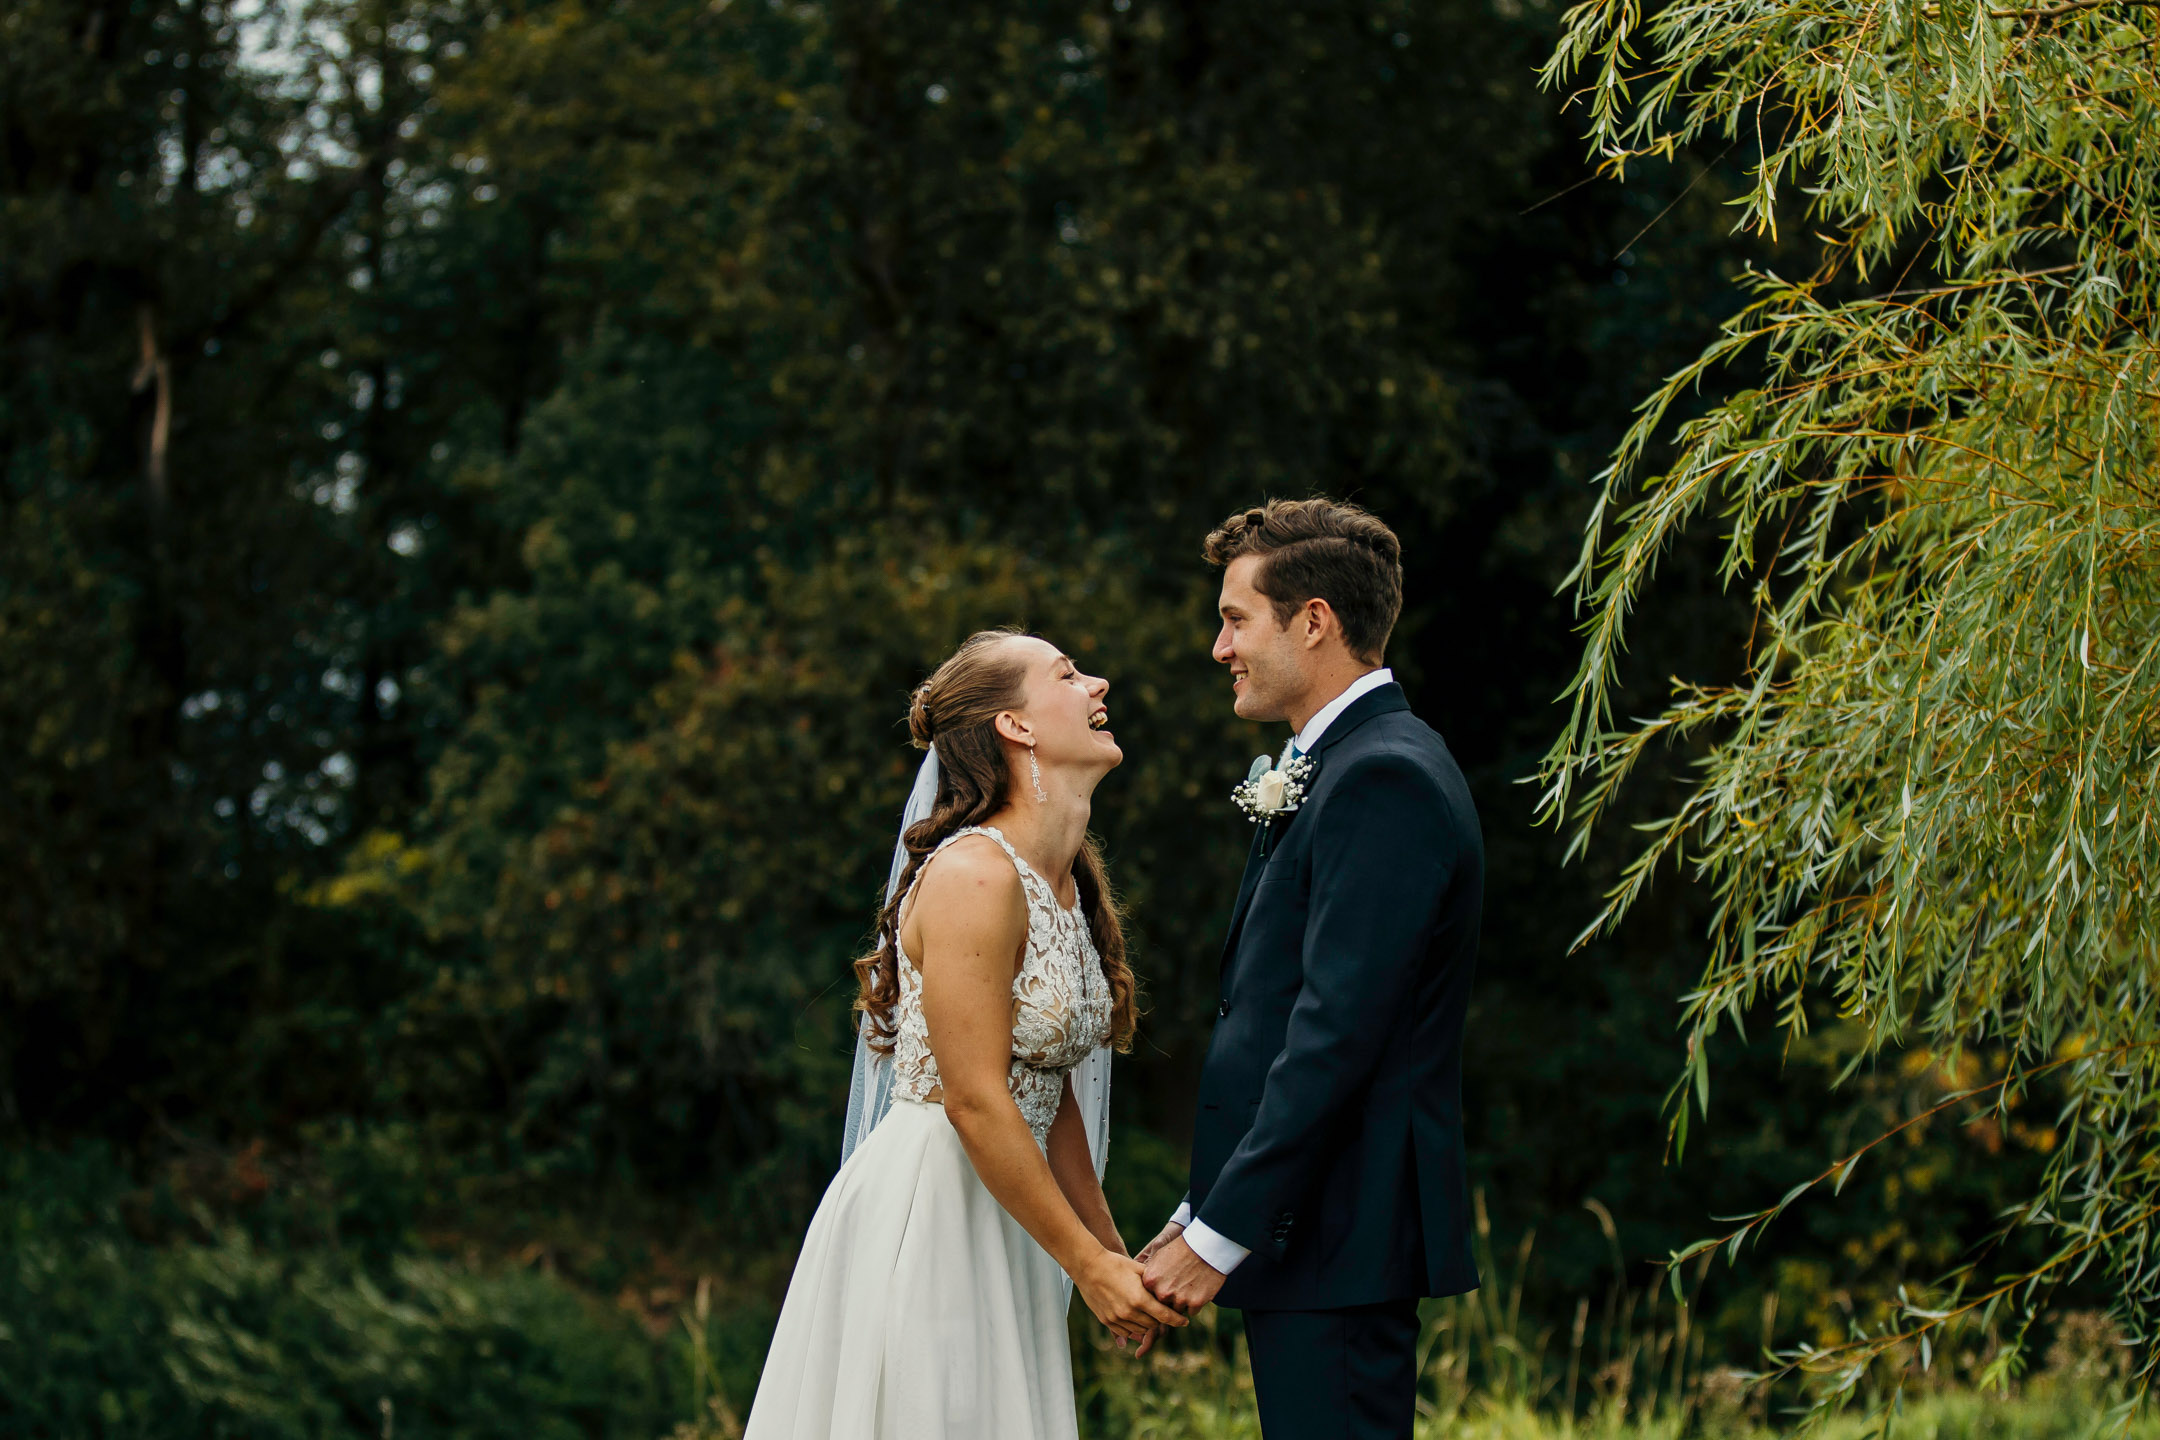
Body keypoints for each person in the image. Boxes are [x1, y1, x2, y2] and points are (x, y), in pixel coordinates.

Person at [744, 629, 1185, 1440]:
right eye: (1068, 674)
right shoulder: (976, 876)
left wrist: (1108, 1246)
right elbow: (977, 1100)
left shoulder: (1060, 878)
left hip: (1013, 1210)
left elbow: (1045, 1097)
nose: (1099, 684)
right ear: (1015, 727)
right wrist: (1085, 1268)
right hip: (936, 1209)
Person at [1136, 497, 1486, 1440]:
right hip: (1313, 1229)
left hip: (1338, 1229)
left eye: (1235, 617)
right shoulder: (1343, 764)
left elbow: (1335, 1036)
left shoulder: (1384, 777)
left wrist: (1218, 1238)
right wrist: (1201, 1206)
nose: (1221, 647)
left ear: (1315, 621)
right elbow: (1275, 1022)